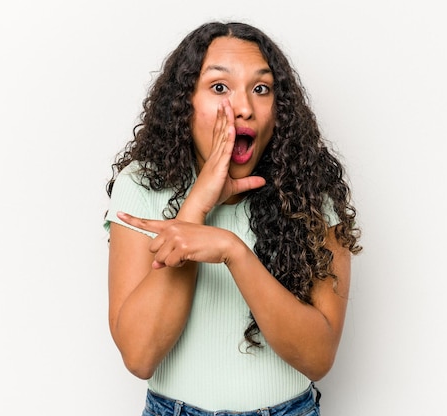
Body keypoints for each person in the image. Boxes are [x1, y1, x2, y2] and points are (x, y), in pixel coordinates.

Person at [104, 21, 361, 416]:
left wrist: (233, 252)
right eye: (219, 87)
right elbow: (140, 357)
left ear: (279, 110)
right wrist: (196, 208)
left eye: (261, 89)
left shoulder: (312, 189)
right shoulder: (142, 184)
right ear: (184, 102)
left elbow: (319, 357)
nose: (243, 107)